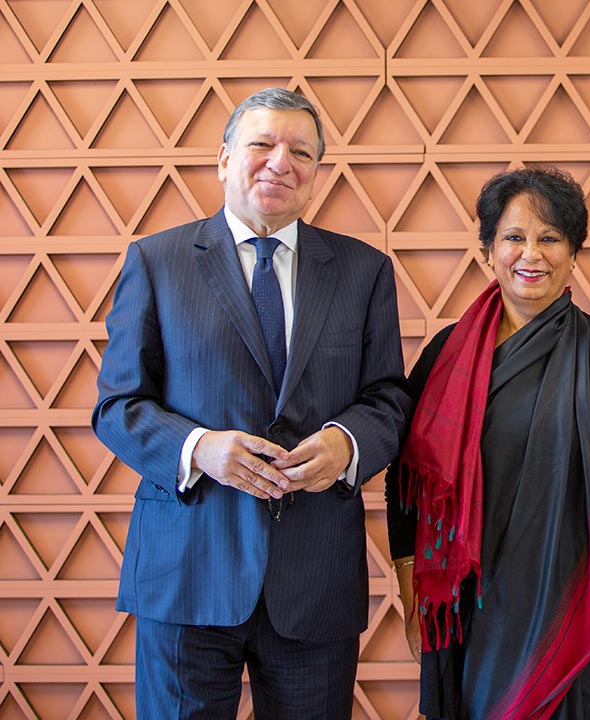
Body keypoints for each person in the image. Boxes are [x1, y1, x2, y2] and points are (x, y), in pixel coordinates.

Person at [93, 88, 410, 718]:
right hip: (188, 569)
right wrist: (198, 448)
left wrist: (347, 443)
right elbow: (118, 406)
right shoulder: (156, 262)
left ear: (317, 173)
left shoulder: (364, 269)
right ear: (223, 159)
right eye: (262, 144)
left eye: (300, 151)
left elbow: (388, 399)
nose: (280, 162)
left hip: (314, 576)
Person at [384, 167, 590, 719]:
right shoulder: (446, 358)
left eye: (550, 238)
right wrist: (411, 593)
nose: (531, 254)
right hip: (470, 610)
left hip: (585, 606)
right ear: (488, 250)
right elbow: (406, 485)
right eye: (514, 238)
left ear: (573, 253)